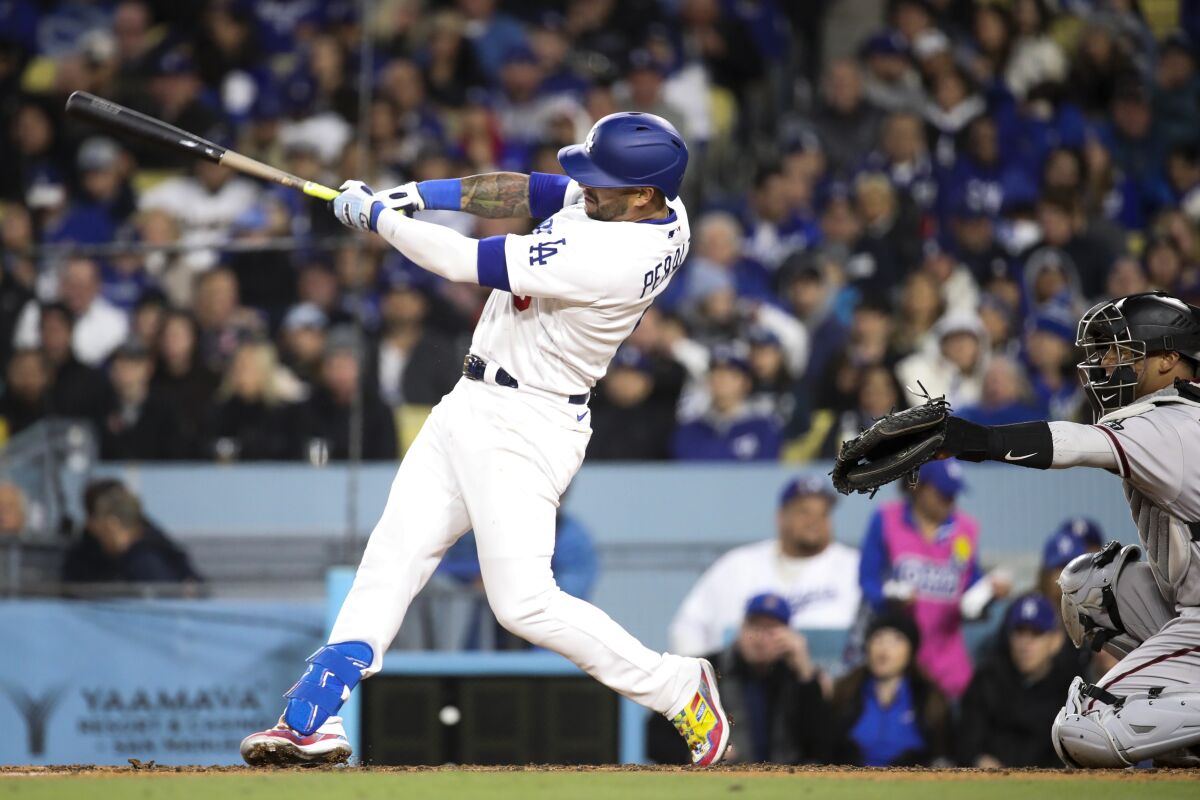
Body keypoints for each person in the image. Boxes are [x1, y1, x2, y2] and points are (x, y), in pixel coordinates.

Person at [240, 112, 732, 767]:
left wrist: (378, 220)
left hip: (530, 423)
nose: (585, 186)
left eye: (601, 180)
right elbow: (534, 191)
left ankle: (675, 685)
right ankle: (313, 716)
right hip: (472, 401)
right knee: (394, 554)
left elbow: (462, 261)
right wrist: (421, 195)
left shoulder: (615, 256)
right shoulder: (640, 206)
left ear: (643, 194)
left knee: (524, 604)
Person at [930, 291, 1200, 767]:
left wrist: (972, 438)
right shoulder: (1177, 413)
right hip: (1190, 607)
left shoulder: (1173, 423)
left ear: (1169, 359)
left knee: (1083, 728)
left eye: (1122, 350)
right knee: (1090, 588)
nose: (1105, 363)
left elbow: (1075, 443)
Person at [857, 459, 1010, 700]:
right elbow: (868, 581)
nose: (949, 501)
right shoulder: (887, 520)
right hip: (899, 655)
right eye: (942, 493)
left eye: (953, 494)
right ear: (916, 486)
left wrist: (989, 592)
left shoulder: (965, 529)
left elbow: (969, 584)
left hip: (949, 659)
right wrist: (889, 599)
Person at [669, 476, 860, 656]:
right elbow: (688, 626)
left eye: (823, 513)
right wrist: (704, 682)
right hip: (739, 685)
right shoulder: (737, 565)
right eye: (804, 511)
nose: (814, 521)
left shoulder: (855, 567)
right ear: (781, 517)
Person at [649, 593, 830, 765]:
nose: (760, 639)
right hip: (719, 784)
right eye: (755, 627)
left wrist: (806, 674)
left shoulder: (797, 678)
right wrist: (698, 755)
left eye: (771, 630)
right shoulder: (707, 670)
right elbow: (657, 737)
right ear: (741, 628)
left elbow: (825, 747)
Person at [958, 593, 1081, 768]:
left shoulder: (1070, 690)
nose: (1025, 643)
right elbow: (967, 741)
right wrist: (979, 760)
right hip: (989, 786)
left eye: (1036, 633)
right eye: (1019, 632)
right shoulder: (988, 679)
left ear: (1056, 641)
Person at [828, 609, 950, 766]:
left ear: (911, 651)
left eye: (896, 641)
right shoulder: (845, 693)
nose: (884, 650)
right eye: (878, 640)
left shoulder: (930, 699)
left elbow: (942, 753)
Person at [61, 480, 201, 585]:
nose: (90, 526)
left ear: (112, 524)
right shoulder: (85, 554)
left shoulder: (144, 560)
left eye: (94, 520)